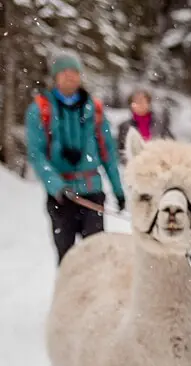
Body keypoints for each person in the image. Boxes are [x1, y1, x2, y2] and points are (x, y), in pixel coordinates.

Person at [25, 51, 126, 266]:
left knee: (97, 258)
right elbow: (37, 155)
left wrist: (118, 190)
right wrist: (57, 187)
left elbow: (108, 153)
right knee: (68, 261)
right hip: (62, 198)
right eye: (64, 72)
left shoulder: (94, 110)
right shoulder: (40, 110)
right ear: (55, 77)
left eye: (74, 72)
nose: (70, 77)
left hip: (92, 195)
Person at [116, 88, 172, 155]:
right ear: (131, 105)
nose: (140, 104)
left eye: (142, 101)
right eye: (136, 102)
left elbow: (171, 144)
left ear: (148, 103)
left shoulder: (160, 124)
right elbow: (121, 151)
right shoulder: (124, 126)